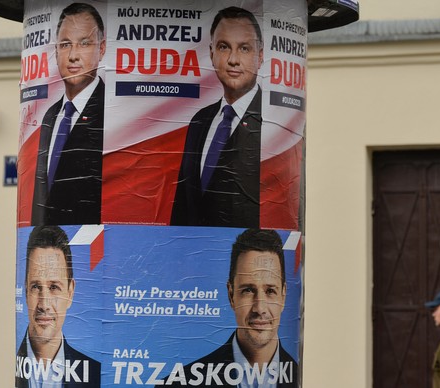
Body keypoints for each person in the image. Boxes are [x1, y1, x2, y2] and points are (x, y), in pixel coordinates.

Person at [159, 229, 299, 387]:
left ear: (283, 295)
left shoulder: (305, 377)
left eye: (270, 291)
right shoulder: (178, 384)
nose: (260, 308)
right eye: (248, 290)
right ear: (231, 295)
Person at [170, 6, 263, 228]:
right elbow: (183, 205)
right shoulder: (199, 121)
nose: (233, 59)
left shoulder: (272, 123)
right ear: (211, 53)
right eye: (224, 47)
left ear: (260, 56)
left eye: (244, 48)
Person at [32, 2, 105, 226]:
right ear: (56, 51)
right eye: (65, 44)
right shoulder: (50, 116)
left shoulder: (110, 111)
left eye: (84, 43)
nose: (73, 55)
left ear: (101, 49)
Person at [16, 226, 101, 387]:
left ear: (70, 292)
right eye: (36, 286)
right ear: (26, 290)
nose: (44, 304)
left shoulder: (96, 375)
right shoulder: (6, 362)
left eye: (54, 287)